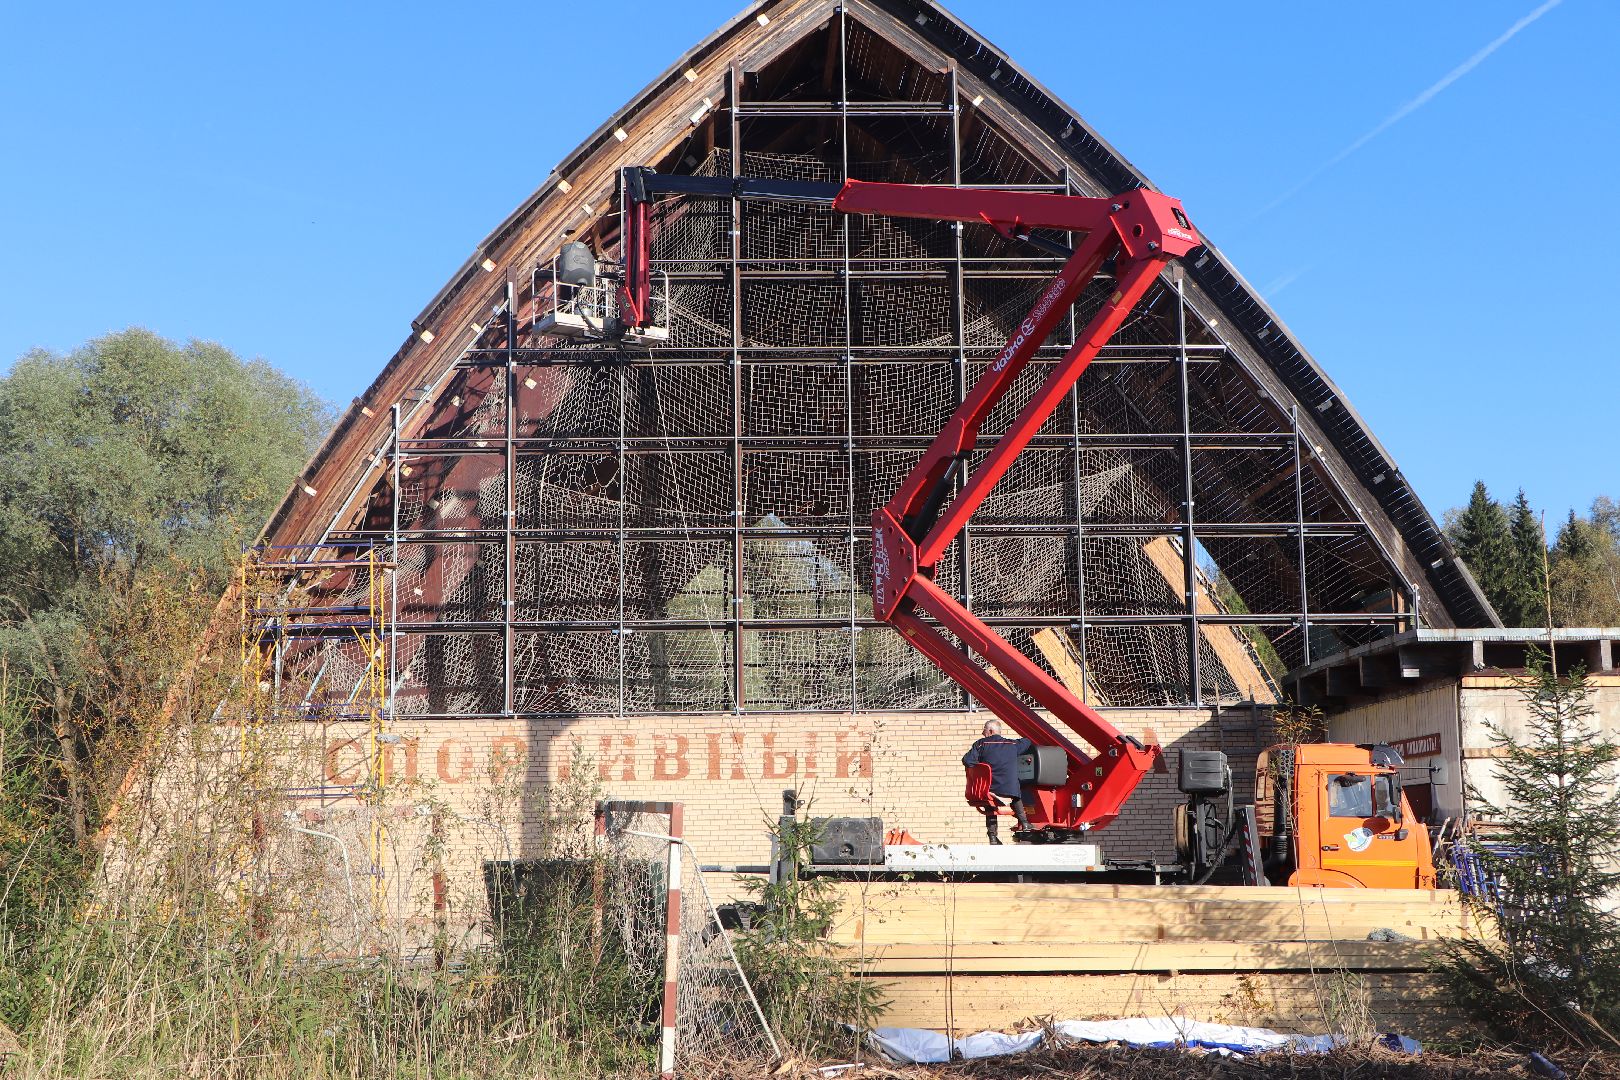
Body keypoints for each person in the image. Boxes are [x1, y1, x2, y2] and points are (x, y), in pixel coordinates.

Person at [961, 719, 1033, 843]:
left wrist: (980, 765)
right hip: (1010, 789)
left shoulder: (981, 744)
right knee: (1016, 795)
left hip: (990, 789)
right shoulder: (1013, 745)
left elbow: (967, 760)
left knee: (988, 803)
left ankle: (992, 837)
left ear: (990, 731)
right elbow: (1027, 741)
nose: (982, 733)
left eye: (984, 730)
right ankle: (1025, 823)